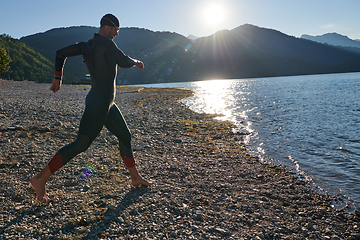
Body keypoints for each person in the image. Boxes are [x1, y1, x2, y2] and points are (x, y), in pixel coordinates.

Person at [31, 13, 153, 202]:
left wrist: (58, 77)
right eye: (117, 30)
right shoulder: (105, 43)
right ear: (109, 26)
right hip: (98, 103)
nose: (117, 34)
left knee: (125, 136)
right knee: (81, 143)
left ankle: (135, 178)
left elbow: (60, 53)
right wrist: (136, 62)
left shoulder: (86, 45)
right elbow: (123, 60)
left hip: (106, 103)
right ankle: (40, 179)